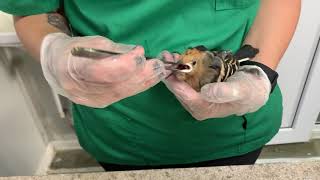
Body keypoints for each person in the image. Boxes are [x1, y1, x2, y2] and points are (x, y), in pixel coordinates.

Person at [0, 0, 301, 171]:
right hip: (121, 134)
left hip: (236, 130)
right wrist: (54, 49)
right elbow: (31, 9)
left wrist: (259, 72)